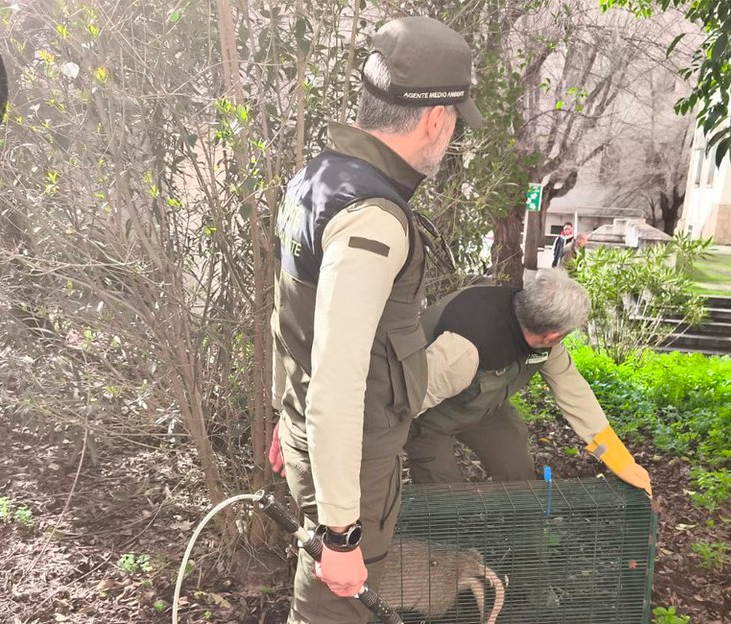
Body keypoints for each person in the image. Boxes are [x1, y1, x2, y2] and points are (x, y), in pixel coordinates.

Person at [270, 16, 482, 624]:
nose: (451, 135)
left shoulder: (317, 177)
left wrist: (284, 415)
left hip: (318, 438)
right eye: (455, 121)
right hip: (351, 458)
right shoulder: (373, 216)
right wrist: (341, 532)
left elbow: (287, 315)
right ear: (435, 119)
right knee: (329, 610)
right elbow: (338, 379)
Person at [407, 269, 652, 494]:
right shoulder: (462, 351)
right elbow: (403, 406)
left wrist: (620, 460)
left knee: (516, 464)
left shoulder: (540, 335)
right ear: (552, 336)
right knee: (445, 496)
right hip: (428, 417)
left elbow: (573, 391)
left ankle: (519, 520)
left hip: (481, 407)